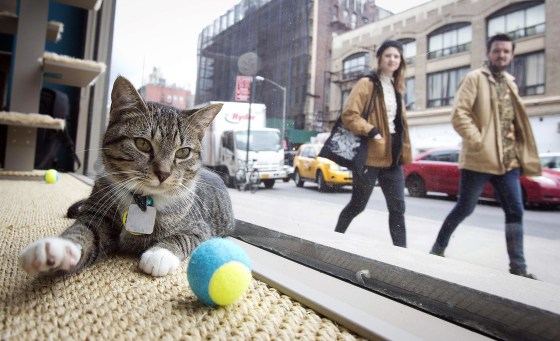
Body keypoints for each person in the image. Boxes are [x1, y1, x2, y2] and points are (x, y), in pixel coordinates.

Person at [429, 34, 541, 279]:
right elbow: (460, 114)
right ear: (489, 53)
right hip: (479, 158)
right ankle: (437, 250)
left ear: (512, 55)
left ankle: (518, 270)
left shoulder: (511, 82)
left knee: (515, 212)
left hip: (507, 161)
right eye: (497, 50)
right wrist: (477, 141)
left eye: (506, 51)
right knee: (464, 208)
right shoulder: (474, 79)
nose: (501, 55)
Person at [334, 40, 412, 247]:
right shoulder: (366, 83)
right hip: (371, 156)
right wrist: (371, 130)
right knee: (358, 205)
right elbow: (350, 114)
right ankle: (335, 238)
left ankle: (402, 256)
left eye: (396, 56)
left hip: (393, 158)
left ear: (400, 61)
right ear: (379, 59)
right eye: (388, 55)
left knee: (398, 209)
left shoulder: (398, 88)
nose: (392, 59)